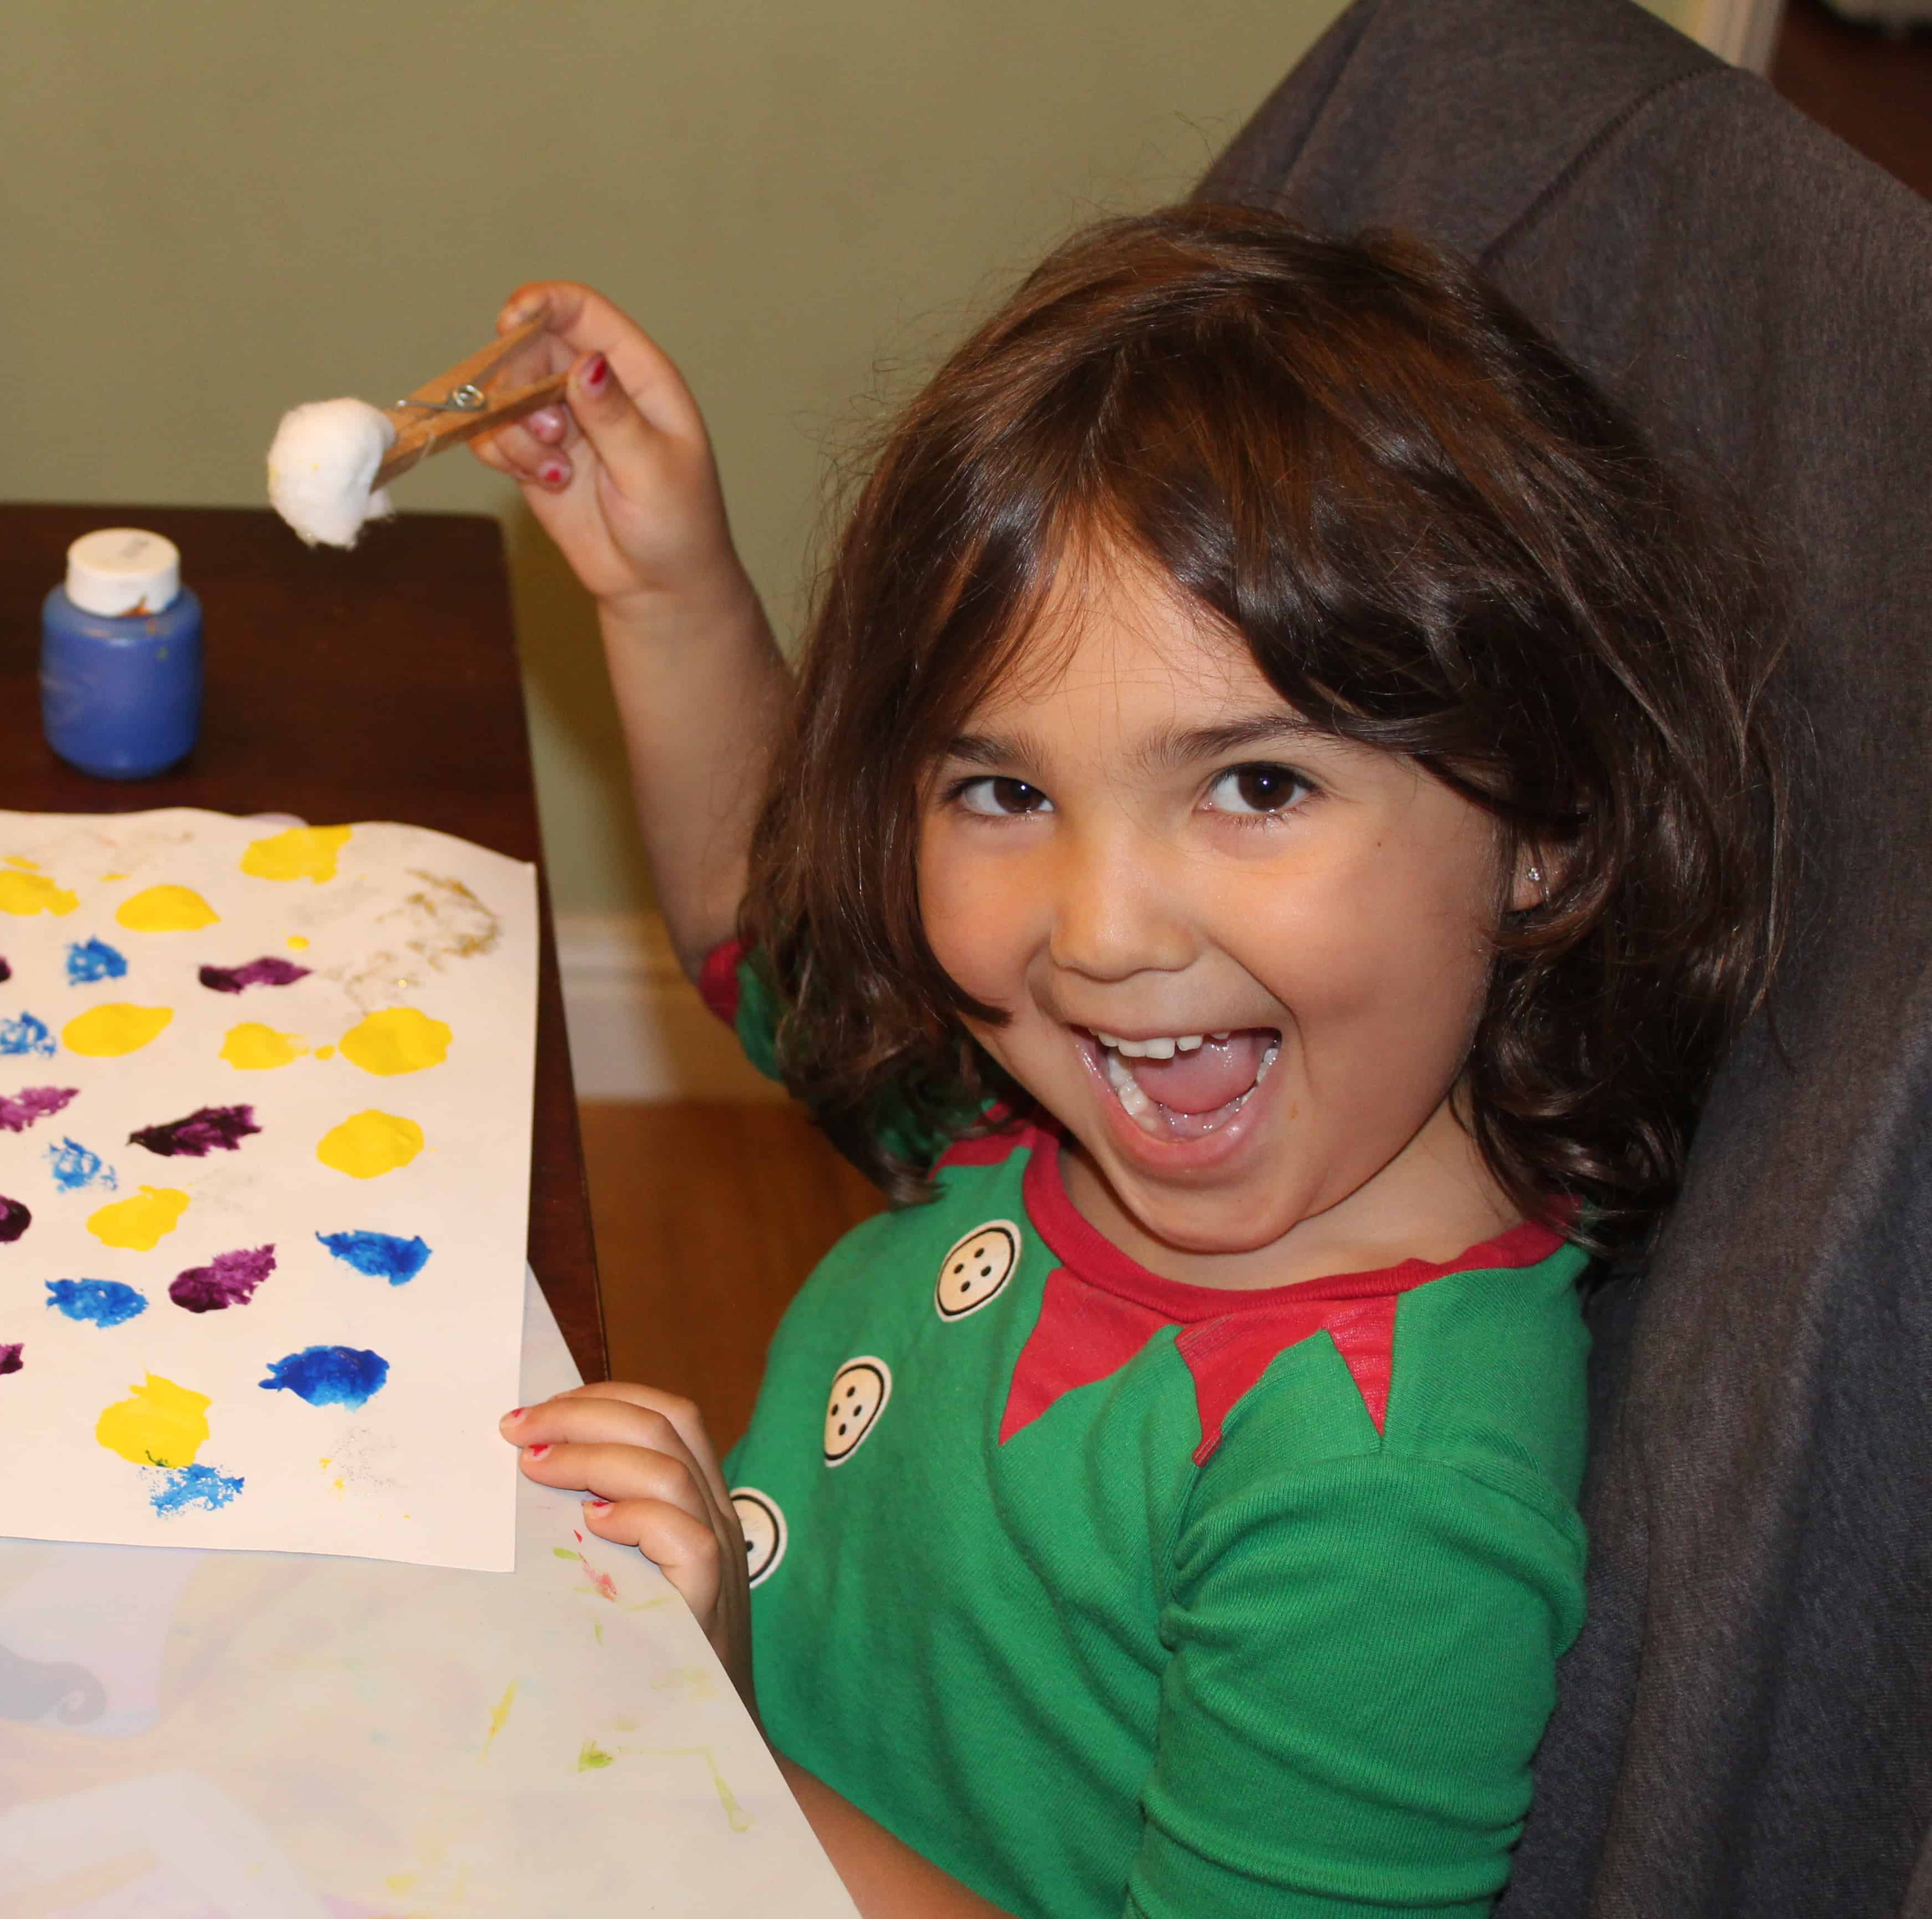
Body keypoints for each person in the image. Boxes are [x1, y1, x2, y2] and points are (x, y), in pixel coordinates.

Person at [475, 207, 1788, 1918]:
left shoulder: (1384, 1500)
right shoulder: (1061, 1114)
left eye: (1255, 787)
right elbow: (765, 937)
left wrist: (707, 1727)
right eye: (1005, 793)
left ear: (1544, 818)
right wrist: (667, 594)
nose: (1095, 935)